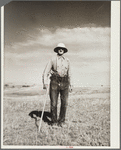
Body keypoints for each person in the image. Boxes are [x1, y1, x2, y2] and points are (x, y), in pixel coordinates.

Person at [42, 43, 72, 127]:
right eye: (59, 48)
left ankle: (62, 121)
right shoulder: (52, 59)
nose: (61, 49)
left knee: (64, 102)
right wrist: (45, 83)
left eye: (62, 48)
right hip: (54, 81)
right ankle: (54, 122)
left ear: (64, 50)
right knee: (54, 103)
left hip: (65, 82)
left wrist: (71, 84)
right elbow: (45, 72)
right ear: (57, 49)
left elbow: (70, 73)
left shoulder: (67, 60)